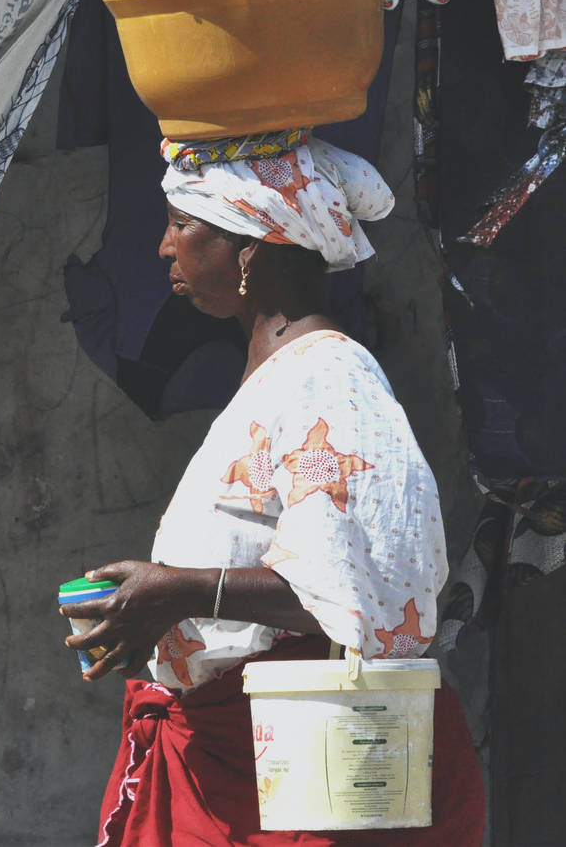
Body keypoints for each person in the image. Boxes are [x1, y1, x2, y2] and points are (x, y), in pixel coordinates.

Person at [61, 130, 485, 847]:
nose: (165, 248)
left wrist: (181, 591)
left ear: (251, 248)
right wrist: (159, 612)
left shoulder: (334, 385)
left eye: (183, 224)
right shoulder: (278, 383)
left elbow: (368, 599)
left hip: (300, 780)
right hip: (230, 771)